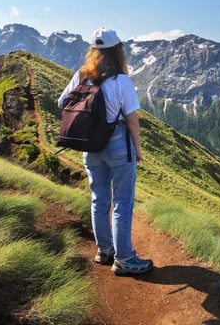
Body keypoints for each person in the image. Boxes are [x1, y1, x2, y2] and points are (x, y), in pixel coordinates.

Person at [58, 28, 153, 275]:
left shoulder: (81, 75)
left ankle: (104, 251)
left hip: (90, 145)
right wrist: (138, 149)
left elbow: (62, 102)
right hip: (117, 142)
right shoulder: (121, 80)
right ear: (118, 50)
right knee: (122, 202)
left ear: (93, 51)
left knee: (99, 199)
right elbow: (132, 120)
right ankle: (124, 259)